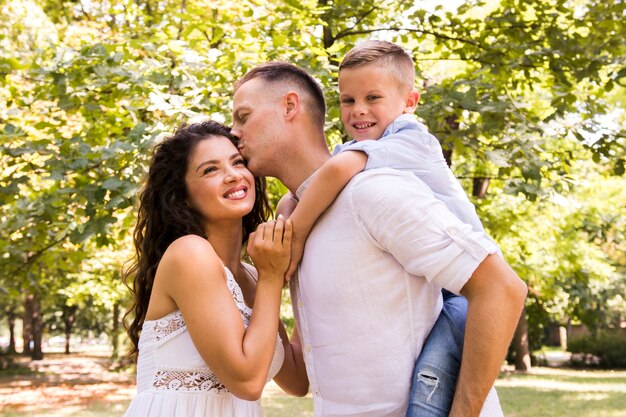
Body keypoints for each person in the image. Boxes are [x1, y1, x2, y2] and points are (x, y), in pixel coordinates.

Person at [231, 62, 527, 417]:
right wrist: (255, 280)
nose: (234, 133)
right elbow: (299, 379)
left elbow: (502, 289)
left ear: (290, 106)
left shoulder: (372, 190)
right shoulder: (290, 217)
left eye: (243, 116)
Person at [284, 40, 501, 416]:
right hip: (443, 284)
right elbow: (319, 180)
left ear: (409, 102)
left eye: (373, 97)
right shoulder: (361, 147)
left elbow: (334, 172)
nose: (358, 110)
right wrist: (289, 204)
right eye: (347, 100)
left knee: (428, 391)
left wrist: (296, 234)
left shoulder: (410, 138)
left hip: (464, 293)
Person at [122, 121, 308, 417]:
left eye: (237, 162)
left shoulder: (253, 275)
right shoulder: (190, 253)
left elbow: (298, 379)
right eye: (210, 169)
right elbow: (247, 382)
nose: (233, 175)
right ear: (181, 195)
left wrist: (309, 271)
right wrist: (272, 278)